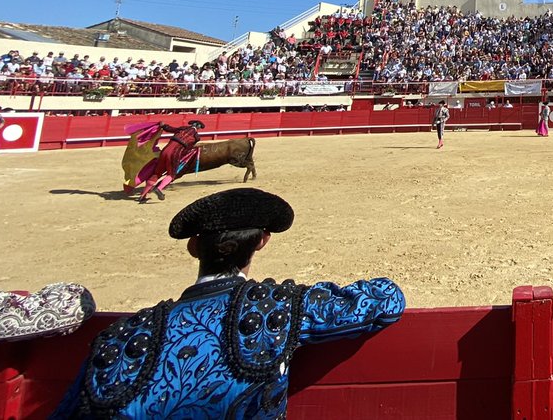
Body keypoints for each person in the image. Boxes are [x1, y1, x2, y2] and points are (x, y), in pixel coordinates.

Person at [54, 188, 405, 419]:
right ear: (263, 242)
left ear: (194, 247)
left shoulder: (124, 336)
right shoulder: (275, 310)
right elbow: (386, 299)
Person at [138, 119, 206, 203]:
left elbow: (169, 129)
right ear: (199, 128)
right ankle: (158, 189)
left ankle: (142, 196)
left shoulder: (182, 129)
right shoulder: (196, 137)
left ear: (192, 124)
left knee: (157, 173)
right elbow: (187, 149)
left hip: (164, 151)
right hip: (175, 154)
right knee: (171, 174)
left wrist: (163, 125)